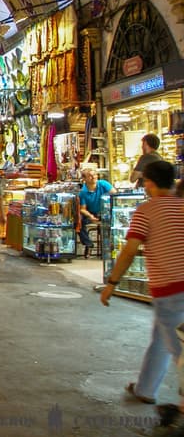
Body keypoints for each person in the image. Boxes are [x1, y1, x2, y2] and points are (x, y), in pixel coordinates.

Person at [101, 161, 184, 407]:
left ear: (149, 182)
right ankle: (145, 388)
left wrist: (112, 283)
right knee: (161, 338)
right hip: (175, 288)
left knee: (179, 349)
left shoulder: (147, 210)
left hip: (169, 288)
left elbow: (129, 250)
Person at [77, 169, 116, 258]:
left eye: (94, 175)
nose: (93, 177)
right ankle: (89, 244)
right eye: (90, 176)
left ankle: (110, 247)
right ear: (84, 179)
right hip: (91, 213)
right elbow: (82, 209)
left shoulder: (103, 184)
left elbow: (114, 194)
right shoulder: (83, 192)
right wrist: (90, 216)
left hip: (105, 211)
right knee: (78, 221)